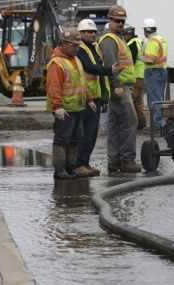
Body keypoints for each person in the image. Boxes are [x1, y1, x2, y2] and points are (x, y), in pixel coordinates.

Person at [75, 19, 124, 177]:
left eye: (94, 31)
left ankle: (85, 162)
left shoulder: (92, 48)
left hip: (94, 97)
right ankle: (79, 163)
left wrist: (103, 99)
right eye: (89, 32)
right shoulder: (80, 49)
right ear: (81, 33)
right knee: (85, 132)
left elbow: (98, 76)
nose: (93, 34)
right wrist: (109, 70)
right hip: (85, 97)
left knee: (92, 133)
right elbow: (89, 68)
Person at [46, 27, 96, 179]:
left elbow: (81, 83)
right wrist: (58, 107)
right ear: (64, 44)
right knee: (62, 139)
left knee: (76, 137)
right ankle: (60, 170)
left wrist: (89, 99)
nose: (77, 48)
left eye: (78, 45)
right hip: (65, 109)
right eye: (74, 45)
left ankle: (70, 167)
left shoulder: (76, 60)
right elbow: (53, 87)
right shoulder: (57, 63)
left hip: (77, 107)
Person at [97, 5, 141, 172]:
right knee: (130, 121)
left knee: (115, 123)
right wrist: (116, 85)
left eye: (122, 21)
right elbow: (111, 65)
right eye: (117, 21)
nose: (120, 24)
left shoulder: (117, 37)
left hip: (122, 85)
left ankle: (114, 161)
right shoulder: (110, 39)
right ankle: (127, 160)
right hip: (120, 86)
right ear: (110, 20)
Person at [141, 18, 168, 135]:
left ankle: (156, 125)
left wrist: (141, 56)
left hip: (153, 72)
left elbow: (150, 59)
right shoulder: (161, 39)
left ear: (146, 30)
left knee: (154, 100)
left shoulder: (152, 41)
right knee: (159, 98)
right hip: (161, 71)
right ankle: (157, 123)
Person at [122, 24, 147, 130]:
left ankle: (130, 123)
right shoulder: (139, 41)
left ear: (127, 34)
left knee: (130, 101)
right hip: (143, 76)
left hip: (136, 76)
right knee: (139, 101)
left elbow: (129, 62)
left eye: (123, 35)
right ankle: (141, 123)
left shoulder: (131, 44)